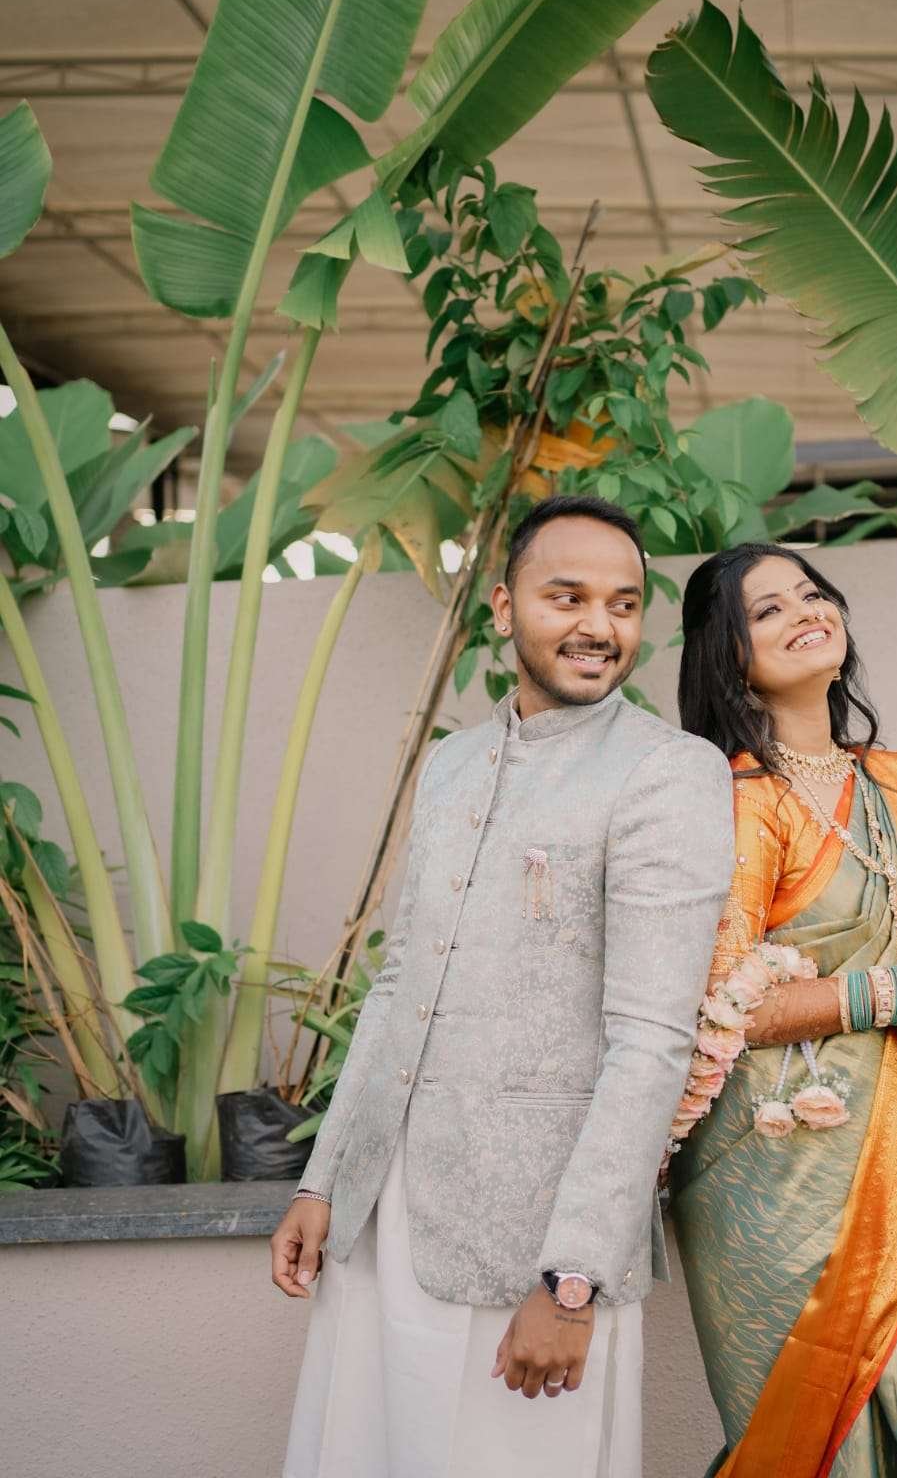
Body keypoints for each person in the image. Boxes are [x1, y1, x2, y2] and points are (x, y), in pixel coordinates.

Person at [272, 495, 735, 1478]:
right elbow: (400, 981)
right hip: (386, 1216)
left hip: (534, 1235)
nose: (598, 625)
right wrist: (324, 1179)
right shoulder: (452, 763)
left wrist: (573, 1280)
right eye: (566, 596)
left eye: (622, 603)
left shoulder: (667, 772)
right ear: (502, 605)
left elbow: (651, 1042)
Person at [665, 542, 897, 1478]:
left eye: (811, 593)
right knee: (811, 1426)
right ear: (728, 655)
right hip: (777, 1165)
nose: (804, 612)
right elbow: (717, 1006)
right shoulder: (742, 800)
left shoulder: (887, 783)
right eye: (768, 610)